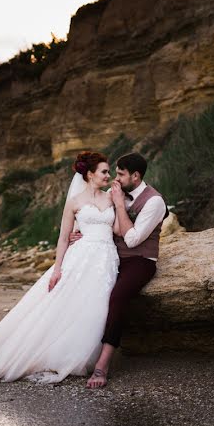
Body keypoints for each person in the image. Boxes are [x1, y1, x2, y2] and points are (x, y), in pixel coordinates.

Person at [0, 150, 120, 384]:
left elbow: (118, 227)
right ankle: (61, 355)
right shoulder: (75, 202)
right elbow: (63, 238)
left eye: (108, 172)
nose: (108, 176)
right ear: (89, 174)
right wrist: (57, 269)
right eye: (104, 172)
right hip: (81, 257)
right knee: (67, 305)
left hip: (106, 258)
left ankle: (90, 357)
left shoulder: (111, 198)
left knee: (97, 308)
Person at [70, 152, 167, 389]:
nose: (116, 177)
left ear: (135, 176)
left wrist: (120, 205)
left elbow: (133, 240)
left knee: (117, 297)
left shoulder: (154, 201)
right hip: (112, 257)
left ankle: (102, 365)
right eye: (115, 172)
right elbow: (96, 218)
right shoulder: (116, 192)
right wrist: (80, 232)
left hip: (140, 260)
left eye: (121, 174)